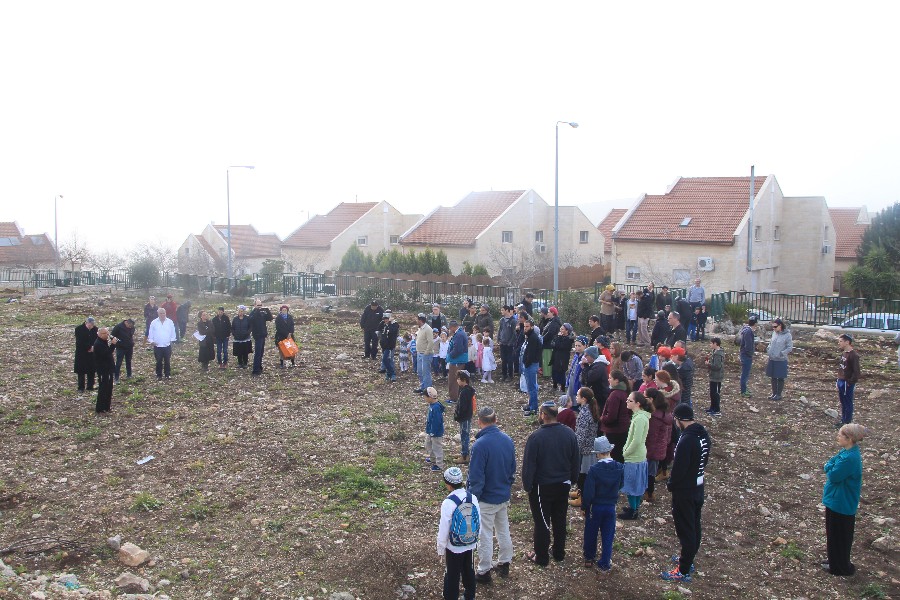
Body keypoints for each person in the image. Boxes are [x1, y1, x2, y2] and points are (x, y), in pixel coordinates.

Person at [521, 401, 580, 567]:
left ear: (543, 415)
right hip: (563, 484)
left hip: (542, 487)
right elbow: (576, 459)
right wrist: (573, 479)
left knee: (542, 523)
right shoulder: (569, 434)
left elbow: (529, 465)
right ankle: (559, 553)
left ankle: (541, 558)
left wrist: (527, 485)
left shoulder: (536, 437)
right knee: (560, 520)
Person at [661, 404, 711, 583]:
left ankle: (683, 569)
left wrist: (671, 485)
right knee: (694, 524)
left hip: (685, 490)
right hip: (698, 486)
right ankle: (688, 557)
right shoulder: (703, 435)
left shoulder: (686, 440)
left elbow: (679, 468)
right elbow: (703, 460)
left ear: (679, 420)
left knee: (686, 528)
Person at [468, 406, 516, 584]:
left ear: (479, 422)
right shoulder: (507, 440)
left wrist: (473, 498)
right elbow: (512, 469)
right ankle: (504, 562)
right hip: (502, 494)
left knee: (485, 534)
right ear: (495, 420)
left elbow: (476, 477)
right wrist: (506, 486)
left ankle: (484, 570)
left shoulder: (480, 445)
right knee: (503, 529)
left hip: (486, 498)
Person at [821, 423, 865, 577]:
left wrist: (829, 467)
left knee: (840, 535)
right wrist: (829, 466)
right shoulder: (846, 452)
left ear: (850, 438)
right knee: (834, 533)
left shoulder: (849, 459)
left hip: (842, 502)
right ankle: (834, 561)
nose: (837, 437)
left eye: (840, 435)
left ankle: (840, 567)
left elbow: (834, 475)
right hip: (836, 500)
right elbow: (831, 463)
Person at [581, 436, 624, 572]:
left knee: (591, 532)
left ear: (598, 453)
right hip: (610, 506)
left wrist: (584, 506)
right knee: (608, 534)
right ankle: (605, 562)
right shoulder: (619, 467)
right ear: (610, 450)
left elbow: (588, 492)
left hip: (596, 506)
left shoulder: (594, 470)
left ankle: (589, 557)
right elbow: (621, 484)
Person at [436, 466, 479, 600]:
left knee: (452, 574)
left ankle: (450, 596)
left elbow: (444, 527)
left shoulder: (448, 502)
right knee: (468, 569)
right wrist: (476, 539)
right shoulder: (473, 498)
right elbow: (478, 520)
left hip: (454, 545)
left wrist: (441, 547)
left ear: (448, 484)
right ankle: (469, 595)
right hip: (470, 541)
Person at [620, 391, 651, 520]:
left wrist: (626, 452)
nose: (627, 402)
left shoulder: (639, 418)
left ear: (638, 403)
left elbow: (637, 440)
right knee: (636, 484)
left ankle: (633, 511)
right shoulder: (640, 416)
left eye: (630, 400)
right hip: (638, 455)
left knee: (632, 485)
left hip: (634, 456)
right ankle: (634, 507)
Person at [569, 387, 602, 508]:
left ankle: (583, 497)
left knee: (583, 474)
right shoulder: (590, 409)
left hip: (584, 449)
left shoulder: (584, 413)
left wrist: (575, 450)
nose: (576, 397)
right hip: (590, 446)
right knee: (584, 473)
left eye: (578, 395)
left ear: (583, 398)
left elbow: (581, 435)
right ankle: (580, 493)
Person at [645, 389, 673, 503]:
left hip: (652, 449)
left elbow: (652, 435)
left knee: (650, 472)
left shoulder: (655, 417)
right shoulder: (664, 413)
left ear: (651, 399)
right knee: (651, 471)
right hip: (660, 447)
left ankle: (649, 493)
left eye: (645, 396)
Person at [601, 371, 632, 463]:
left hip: (614, 430)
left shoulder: (615, 395)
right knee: (620, 454)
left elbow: (611, 416)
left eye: (610, 378)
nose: (608, 380)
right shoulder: (625, 392)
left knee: (615, 455)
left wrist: (602, 418)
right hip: (623, 428)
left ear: (617, 381)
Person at [766, 317, 793, 400]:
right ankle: (774, 393)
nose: (773, 328)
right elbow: (771, 343)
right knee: (773, 376)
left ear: (780, 326)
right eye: (773, 327)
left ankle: (779, 394)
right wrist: (768, 349)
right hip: (772, 358)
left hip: (781, 359)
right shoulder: (774, 333)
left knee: (780, 377)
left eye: (775, 327)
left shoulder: (787, 335)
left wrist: (782, 353)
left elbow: (789, 347)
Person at [836, 334, 860, 427]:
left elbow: (856, 371)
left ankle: (847, 422)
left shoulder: (853, 355)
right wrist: (838, 380)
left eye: (841, 341)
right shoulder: (844, 353)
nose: (839, 343)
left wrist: (850, 382)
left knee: (847, 402)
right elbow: (841, 368)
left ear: (847, 342)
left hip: (847, 382)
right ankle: (843, 420)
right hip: (841, 381)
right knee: (842, 402)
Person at [519, 319, 542, 416]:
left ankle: (533, 408)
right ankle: (530, 404)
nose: (525, 328)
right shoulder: (528, 337)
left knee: (532, 388)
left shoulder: (533, 338)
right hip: (528, 365)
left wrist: (526, 364)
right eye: (524, 326)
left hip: (531, 365)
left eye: (527, 326)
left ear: (532, 327)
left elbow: (531, 354)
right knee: (530, 387)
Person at [453, 370, 476, 465]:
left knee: (465, 436)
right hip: (466, 417)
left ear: (464, 379)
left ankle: (465, 456)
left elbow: (463, 407)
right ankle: (464, 453)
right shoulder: (466, 390)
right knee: (464, 435)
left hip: (464, 417)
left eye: (459, 379)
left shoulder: (464, 392)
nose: (457, 381)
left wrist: (457, 415)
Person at [146, 308, 176, 380]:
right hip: (157, 345)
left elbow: (173, 332)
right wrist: (151, 341)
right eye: (161, 313)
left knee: (167, 360)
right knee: (158, 361)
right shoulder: (154, 322)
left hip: (167, 345)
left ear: (165, 313)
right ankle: (159, 375)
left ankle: (167, 374)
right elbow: (151, 333)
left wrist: (171, 340)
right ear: (158, 314)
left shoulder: (170, 322)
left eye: (163, 313)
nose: (162, 315)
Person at [93, 327, 117, 413]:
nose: (107, 335)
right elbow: (106, 353)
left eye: (107, 333)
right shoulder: (98, 343)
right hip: (103, 369)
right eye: (105, 334)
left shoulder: (104, 342)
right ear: (99, 334)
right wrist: (113, 344)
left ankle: (106, 406)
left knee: (108, 388)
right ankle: (100, 408)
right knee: (103, 388)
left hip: (108, 369)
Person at [580, 346, 610, 413]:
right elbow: (583, 380)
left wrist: (586, 367)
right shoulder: (594, 365)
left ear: (592, 356)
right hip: (596, 396)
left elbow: (589, 378)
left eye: (586, 355)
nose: (584, 357)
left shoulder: (599, 366)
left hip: (600, 398)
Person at [561, 335, 588, 408]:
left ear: (585, 346)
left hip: (579, 384)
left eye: (579, 346)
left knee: (576, 402)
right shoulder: (576, 356)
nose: (577, 348)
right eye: (576, 345)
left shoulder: (585, 358)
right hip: (572, 381)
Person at [249, 300, 273, 376]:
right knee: (258, 353)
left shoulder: (262, 313)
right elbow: (251, 320)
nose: (260, 307)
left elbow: (270, 318)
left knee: (261, 352)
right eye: (258, 305)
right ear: (255, 305)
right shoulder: (253, 313)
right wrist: (257, 311)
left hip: (263, 335)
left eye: (260, 305)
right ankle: (255, 370)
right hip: (257, 335)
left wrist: (267, 310)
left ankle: (259, 366)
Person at [446, 321, 468, 402]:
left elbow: (458, 349)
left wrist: (450, 355)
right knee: (458, 378)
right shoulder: (461, 333)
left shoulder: (458, 335)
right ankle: (458, 397)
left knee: (454, 380)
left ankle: (454, 398)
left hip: (457, 361)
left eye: (449, 328)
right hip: (460, 360)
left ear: (452, 327)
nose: (449, 330)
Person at [424, 387, 445, 471]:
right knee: (428, 444)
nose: (424, 399)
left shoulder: (436, 408)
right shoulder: (432, 405)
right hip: (430, 431)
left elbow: (437, 421)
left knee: (437, 448)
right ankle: (433, 459)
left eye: (425, 397)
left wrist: (433, 431)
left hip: (436, 432)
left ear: (429, 397)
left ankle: (439, 465)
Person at [74, 317, 98, 392]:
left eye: (93, 325)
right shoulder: (79, 329)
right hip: (82, 353)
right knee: (81, 371)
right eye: (90, 324)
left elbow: (96, 339)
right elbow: (80, 341)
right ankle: (81, 387)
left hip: (92, 353)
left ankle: (90, 386)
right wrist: (89, 347)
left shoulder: (95, 329)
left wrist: (94, 347)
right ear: (86, 323)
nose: (92, 326)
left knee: (91, 370)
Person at [550, 323, 574, 392]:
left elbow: (560, 346)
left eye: (562, 329)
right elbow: (552, 343)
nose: (560, 330)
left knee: (561, 372)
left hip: (562, 358)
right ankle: (554, 386)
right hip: (555, 356)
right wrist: (557, 340)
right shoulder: (558, 336)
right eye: (561, 328)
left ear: (567, 331)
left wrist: (558, 339)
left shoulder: (568, 339)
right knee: (554, 371)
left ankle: (562, 388)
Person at [415, 314, 434, 394]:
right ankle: (422, 387)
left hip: (426, 354)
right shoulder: (420, 329)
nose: (416, 321)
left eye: (417, 319)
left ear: (420, 320)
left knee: (426, 372)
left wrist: (426, 352)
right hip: (419, 353)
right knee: (420, 371)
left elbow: (430, 342)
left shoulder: (428, 329)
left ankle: (427, 389)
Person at [110, 318, 135, 382]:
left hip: (129, 346)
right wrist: (116, 341)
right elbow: (111, 336)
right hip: (120, 347)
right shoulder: (118, 327)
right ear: (126, 322)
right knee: (119, 362)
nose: (130, 327)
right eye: (129, 326)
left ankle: (129, 375)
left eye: (131, 326)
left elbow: (131, 334)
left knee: (128, 361)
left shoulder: (132, 327)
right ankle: (116, 377)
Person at [739, 316, 758, 397]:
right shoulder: (748, 332)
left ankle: (744, 389)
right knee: (745, 374)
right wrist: (750, 354)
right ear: (756, 323)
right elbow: (748, 345)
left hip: (745, 354)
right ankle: (743, 391)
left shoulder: (746, 330)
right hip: (746, 355)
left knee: (745, 373)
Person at [378, 310, 400, 382]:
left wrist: (390, 323)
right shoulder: (384, 324)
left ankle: (392, 373)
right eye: (384, 319)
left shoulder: (394, 324)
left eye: (387, 319)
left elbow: (392, 331)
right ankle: (389, 373)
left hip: (390, 346)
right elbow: (379, 327)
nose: (385, 320)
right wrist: (384, 322)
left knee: (389, 360)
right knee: (386, 359)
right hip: (384, 345)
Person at [497, 305, 517, 382]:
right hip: (503, 343)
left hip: (509, 344)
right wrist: (498, 339)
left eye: (502, 310)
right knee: (503, 360)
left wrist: (510, 342)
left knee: (510, 360)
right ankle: (504, 374)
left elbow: (514, 333)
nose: (501, 312)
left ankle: (510, 375)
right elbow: (500, 330)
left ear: (507, 310)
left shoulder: (513, 321)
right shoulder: (502, 320)